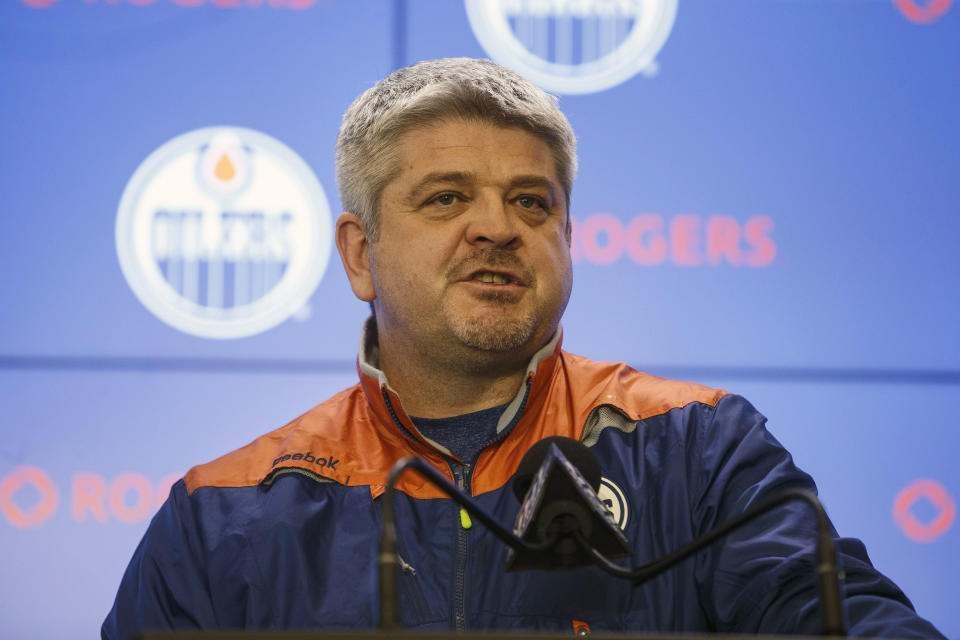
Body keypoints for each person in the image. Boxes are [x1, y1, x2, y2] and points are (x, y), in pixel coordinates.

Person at [102, 58, 944, 639]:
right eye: (445, 198)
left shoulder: (697, 448)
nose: (498, 228)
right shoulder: (223, 514)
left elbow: (838, 613)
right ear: (360, 254)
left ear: (568, 239)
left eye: (531, 204)